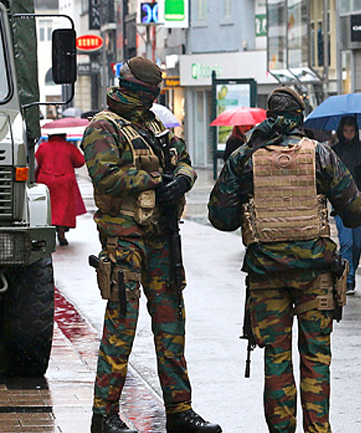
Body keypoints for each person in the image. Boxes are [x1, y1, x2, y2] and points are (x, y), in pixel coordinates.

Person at [208, 87, 361, 433]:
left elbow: (220, 217)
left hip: (266, 276)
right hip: (316, 275)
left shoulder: (246, 158)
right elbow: (355, 212)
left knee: (276, 360)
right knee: (316, 359)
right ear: (300, 118)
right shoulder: (321, 155)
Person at [82, 57, 220, 433]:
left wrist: (184, 180)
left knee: (171, 324)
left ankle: (180, 411)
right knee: (121, 326)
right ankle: (104, 414)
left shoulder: (154, 125)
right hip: (124, 239)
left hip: (162, 239)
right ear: (138, 90)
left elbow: (185, 160)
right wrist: (157, 180)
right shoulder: (102, 127)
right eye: (150, 93)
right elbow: (107, 176)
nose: (153, 99)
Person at [331, 116, 361, 294]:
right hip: (341, 202)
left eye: (352, 131)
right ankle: (347, 279)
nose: (349, 134)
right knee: (347, 243)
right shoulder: (334, 152)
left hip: (358, 202)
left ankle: (352, 271)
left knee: (357, 244)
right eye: (346, 131)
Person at [35, 132, 86, 246]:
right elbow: (80, 162)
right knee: (63, 209)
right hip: (65, 181)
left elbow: (37, 161)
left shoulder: (43, 147)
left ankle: (47, 235)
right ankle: (62, 234)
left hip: (46, 179)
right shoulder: (69, 147)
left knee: (47, 208)